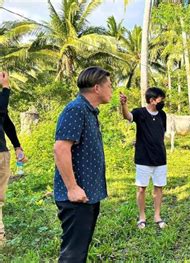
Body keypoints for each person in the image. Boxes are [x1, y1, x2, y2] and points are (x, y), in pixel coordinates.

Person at [53, 66, 112, 262]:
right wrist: (72, 188)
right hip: (76, 197)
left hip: (88, 194)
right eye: (109, 86)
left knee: (80, 251)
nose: (111, 90)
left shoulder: (90, 111)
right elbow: (60, 149)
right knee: (73, 255)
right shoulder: (76, 109)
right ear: (97, 88)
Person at [120, 87, 168, 230]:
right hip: (143, 158)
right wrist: (123, 105)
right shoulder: (140, 112)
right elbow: (127, 116)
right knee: (141, 189)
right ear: (152, 100)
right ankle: (142, 217)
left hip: (160, 158)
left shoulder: (162, 114)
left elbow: (161, 133)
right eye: (161, 99)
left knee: (159, 187)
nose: (162, 101)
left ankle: (157, 216)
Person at [0, 72, 27, 246]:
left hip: (1, 153)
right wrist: (6, 88)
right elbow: (2, 109)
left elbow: (6, 122)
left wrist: (17, 146)